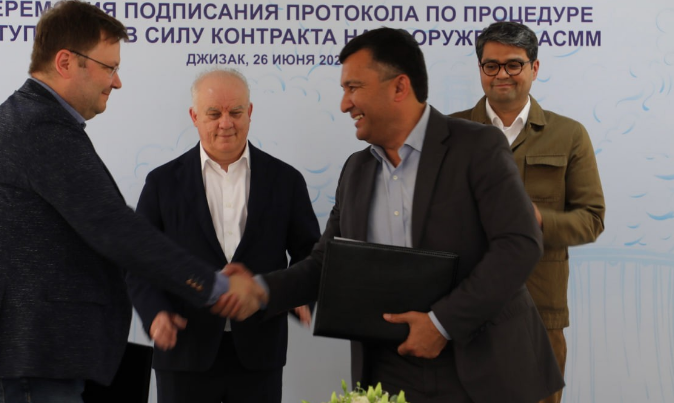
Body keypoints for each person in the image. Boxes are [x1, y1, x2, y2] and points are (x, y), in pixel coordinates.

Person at [0, 0, 264, 403]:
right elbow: (114, 228)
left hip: (35, 359)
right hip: (25, 360)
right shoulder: (40, 127)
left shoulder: (36, 119)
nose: (117, 82)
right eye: (109, 67)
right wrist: (215, 285)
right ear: (65, 62)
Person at [238, 27, 564, 403]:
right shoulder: (355, 171)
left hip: (482, 367)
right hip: (388, 373)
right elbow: (326, 265)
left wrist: (441, 324)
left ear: (399, 87)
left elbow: (519, 244)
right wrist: (261, 290)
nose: (344, 104)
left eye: (353, 87)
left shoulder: (478, 146)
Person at [126, 68, 321, 403]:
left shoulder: (286, 180)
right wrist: (155, 312)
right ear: (194, 116)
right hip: (183, 349)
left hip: (260, 352)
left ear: (250, 112)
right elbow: (139, 262)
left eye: (236, 112)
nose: (226, 123)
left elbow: (310, 253)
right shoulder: (162, 184)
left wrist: (299, 294)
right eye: (214, 114)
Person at [451, 21, 605, 403]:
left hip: (540, 311)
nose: (501, 74)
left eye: (514, 64)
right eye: (491, 65)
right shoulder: (450, 132)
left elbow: (591, 219)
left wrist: (535, 219)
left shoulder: (569, 135)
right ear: (480, 69)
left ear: (534, 68)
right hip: (461, 308)